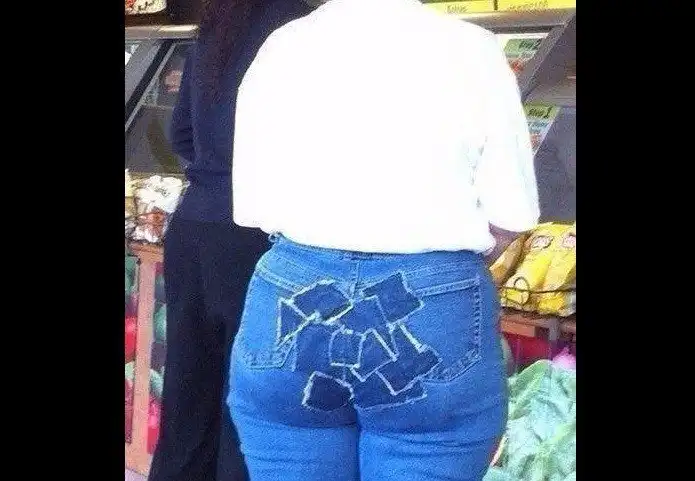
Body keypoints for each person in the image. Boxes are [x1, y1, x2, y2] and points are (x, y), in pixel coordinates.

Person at [226, 0, 541, 480]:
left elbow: (253, 205)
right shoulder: (471, 48)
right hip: (431, 304)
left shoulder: (282, 45)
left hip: (296, 297)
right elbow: (512, 212)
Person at [147, 1, 312, 481]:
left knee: (186, 391)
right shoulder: (301, 25)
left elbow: (181, 132)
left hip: (194, 224)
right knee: (246, 403)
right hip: (259, 233)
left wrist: (215, 171)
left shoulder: (216, 23)